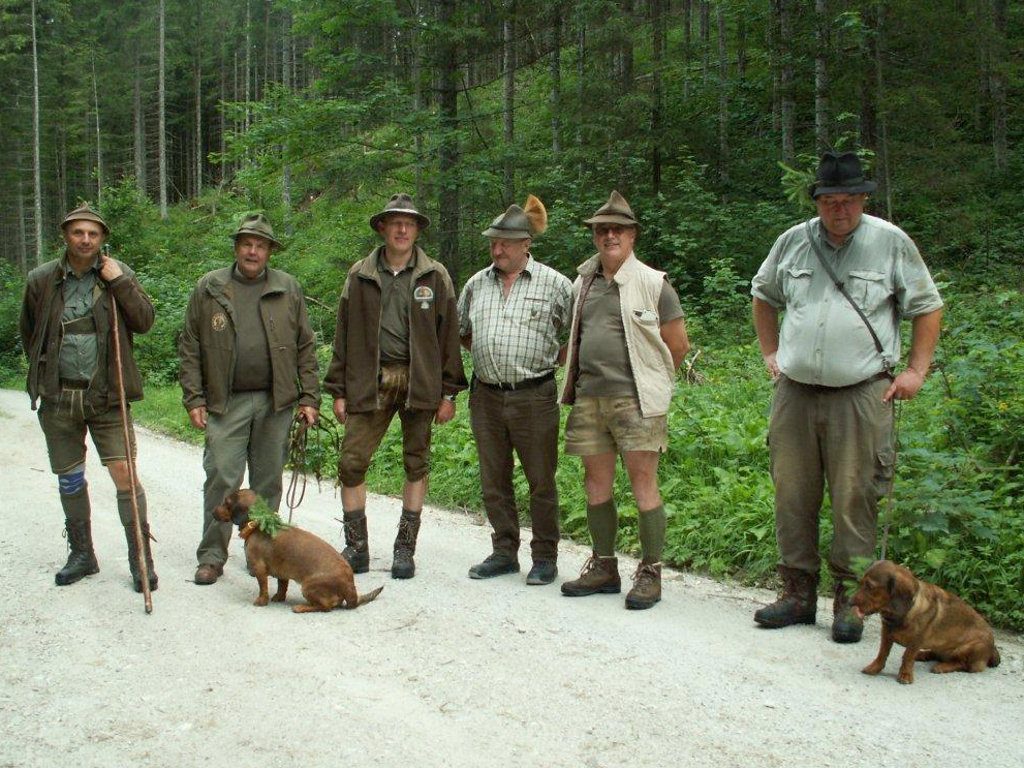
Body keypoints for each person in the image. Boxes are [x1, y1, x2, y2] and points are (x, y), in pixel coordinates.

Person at [750, 150, 943, 642]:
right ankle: (796, 592)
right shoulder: (793, 242)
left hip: (861, 393)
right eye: (830, 201)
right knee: (792, 493)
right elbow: (763, 295)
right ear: (818, 201)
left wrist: (917, 370)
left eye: (848, 200)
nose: (839, 210)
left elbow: (926, 306)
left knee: (856, 496)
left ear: (862, 199)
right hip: (794, 392)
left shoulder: (890, 243)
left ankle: (852, 600)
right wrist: (770, 352)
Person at [559, 191, 690, 610]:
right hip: (589, 398)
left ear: (632, 235)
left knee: (642, 483)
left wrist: (652, 384)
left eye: (618, 229)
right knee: (595, 482)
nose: (609, 235)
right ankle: (604, 565)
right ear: (595, 237)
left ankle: (650, 571)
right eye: (602, 230)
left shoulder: (654, 283)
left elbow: (678, 345)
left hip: (637, 400)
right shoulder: (583, 282)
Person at [324, 194, 467, 579]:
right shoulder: (360, 274)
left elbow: (449, 335)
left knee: (416, 462)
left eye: (409, 223)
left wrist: (449, 392)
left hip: (421, 381)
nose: (402, 229)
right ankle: (357, 548)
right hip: (370, 380)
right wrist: (338, 388)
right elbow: (343, 333)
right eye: (395, 222)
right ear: (383, 228)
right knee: (351, 462)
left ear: (417, 229)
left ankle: (405, 550)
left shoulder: (435, 275)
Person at [19, 203, 157, 592]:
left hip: (107, 396)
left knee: (125, 475)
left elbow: (145, 321)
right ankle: (82, 554)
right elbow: (31, 332)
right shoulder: (42, 279)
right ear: (64, 235)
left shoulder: (118, 274)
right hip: (59, 398)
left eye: (93, 234)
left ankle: (140, 558)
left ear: (102, 239)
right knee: (69, 477)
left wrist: (120, 283)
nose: (85, 240)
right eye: (78, 232)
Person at [179, 213, 320, 586]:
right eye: (246, 243)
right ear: (236, 247)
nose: (253, 250)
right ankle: (212, 556)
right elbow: (190, 344)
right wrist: (194, 397)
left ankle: (265, 554)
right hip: (226, 402)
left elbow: (305, 345)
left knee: (268, 482)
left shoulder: (288, 288)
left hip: (277, 401)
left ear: (270, 251)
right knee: (222, 478)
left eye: (260, 245)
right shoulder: (211, 287)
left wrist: (309, 396)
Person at [458, 195, 573, 585]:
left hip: (534, 396)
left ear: (526, 244)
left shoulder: (556, 284)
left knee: (541, 479)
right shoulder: (476, 284)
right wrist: (493, 356)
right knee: (494, 478)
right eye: (493, 242)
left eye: (505, 242)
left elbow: (577, 334)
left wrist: (555, 358)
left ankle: (544, 557)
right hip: (486, 395)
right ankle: (504, 551)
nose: (497, 249)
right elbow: (463, 332)